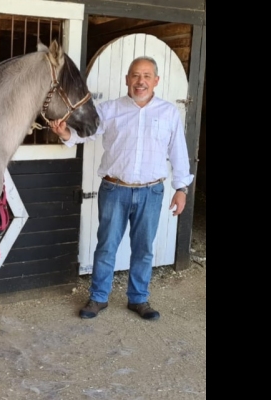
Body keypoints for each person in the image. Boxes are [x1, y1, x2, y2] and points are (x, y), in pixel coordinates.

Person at [48, 56, 194, 321]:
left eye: (147, 76)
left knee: (143, 248)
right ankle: (98, 298)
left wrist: (181, 188)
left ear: (156, 81)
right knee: (106, 246)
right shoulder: (109, 109)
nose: (141, 81)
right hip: (115, 189)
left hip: (151, 192)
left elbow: (178, 152)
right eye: (136, 75)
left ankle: (139, 299)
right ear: (127, 79)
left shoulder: (168, 112)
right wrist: (66, 134)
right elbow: (88, 133)